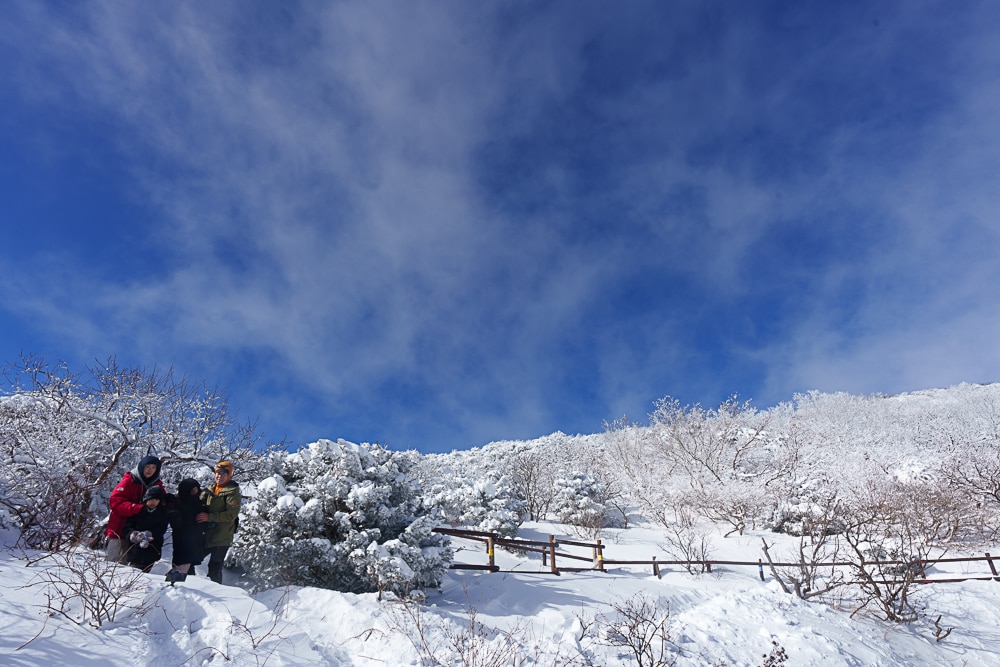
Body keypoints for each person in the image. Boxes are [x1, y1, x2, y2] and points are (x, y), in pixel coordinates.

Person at [106, 454, 168, 563]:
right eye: (147, 466)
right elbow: (115, 502)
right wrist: (137, 508)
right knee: (113, 565)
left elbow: (163, 504)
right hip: (119, 530)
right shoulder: (129, 480)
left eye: (154, 468)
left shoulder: (157, 485)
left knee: (130, 570)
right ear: (141, 466)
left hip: (140, 533)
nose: (150, 470)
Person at [197, 461, 241, 584]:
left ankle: (216, 592)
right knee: (192, 558)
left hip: (222, 536)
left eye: (223, 474)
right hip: (207, 534)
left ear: (229, 475)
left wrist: (209, 517)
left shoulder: (232, 492)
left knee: (214, 567)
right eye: (217, 473)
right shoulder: (209, 490)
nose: (219, 476)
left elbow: (231, 514)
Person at [165, 478, 208, 584]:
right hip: (182, 541)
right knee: (180, 568)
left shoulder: (200, 503)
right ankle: (171, 586)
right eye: (192, 490)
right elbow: (175, 524)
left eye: (196, 489)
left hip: (194, 541)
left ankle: (187, 592)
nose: (195, 492)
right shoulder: (178, 504)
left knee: (189, 571)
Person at [122, 485, 170, 573]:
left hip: (151, 549)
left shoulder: (162, 514)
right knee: (132, 572)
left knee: (145, 573)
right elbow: (127, 527)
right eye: (151, 499)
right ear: (146, 499)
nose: (153, 502)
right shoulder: (138, 510)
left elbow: (161, 529)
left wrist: (150, 534)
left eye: (156, 500)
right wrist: (132, 534)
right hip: (135, 550)